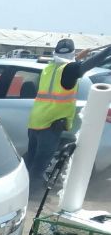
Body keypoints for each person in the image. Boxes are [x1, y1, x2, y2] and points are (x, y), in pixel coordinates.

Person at [25, 38, 111, 191]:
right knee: (39, 166)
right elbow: (90, 63)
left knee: (30, 161)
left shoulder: (50, 68)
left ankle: (22, 189)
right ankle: (32, 196)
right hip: (50, 125)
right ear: (72, 53)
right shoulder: (70, 70)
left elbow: (67, 67)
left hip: (35, 122)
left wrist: (78, 57)